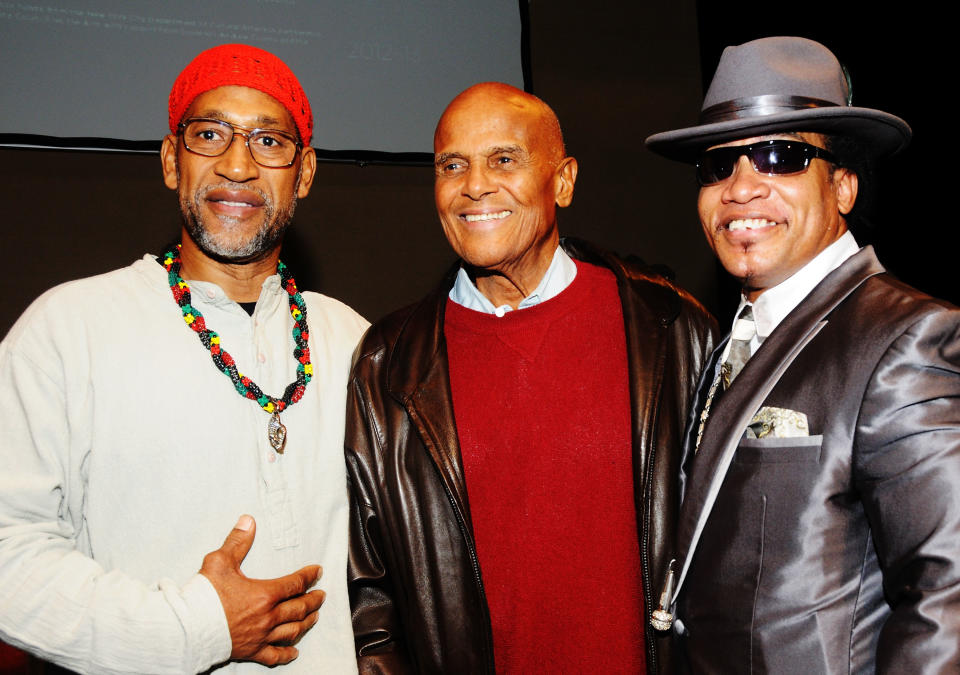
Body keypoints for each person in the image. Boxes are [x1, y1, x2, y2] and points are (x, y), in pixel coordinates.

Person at [0, 44, 368, 673]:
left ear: (303, 174)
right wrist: (195, 628)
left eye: (268, 142)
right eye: (210, 135)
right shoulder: (69, 328)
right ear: (172, 160)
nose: (237, 165)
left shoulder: (355, 341)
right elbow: (9, 553)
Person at [345, 82, 717, 674]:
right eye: (452, 165)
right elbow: (372, 597)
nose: (474, 185)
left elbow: (731, 545)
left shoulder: (668, 328)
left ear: (563, 181)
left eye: (504, 160)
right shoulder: (388, 362)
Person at [645, 36, 960, 672]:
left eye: (778, 157)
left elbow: (946, 593)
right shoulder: (733, 332)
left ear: (843, 186)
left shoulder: (909, 336)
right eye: (718, 166)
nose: (740, 189)